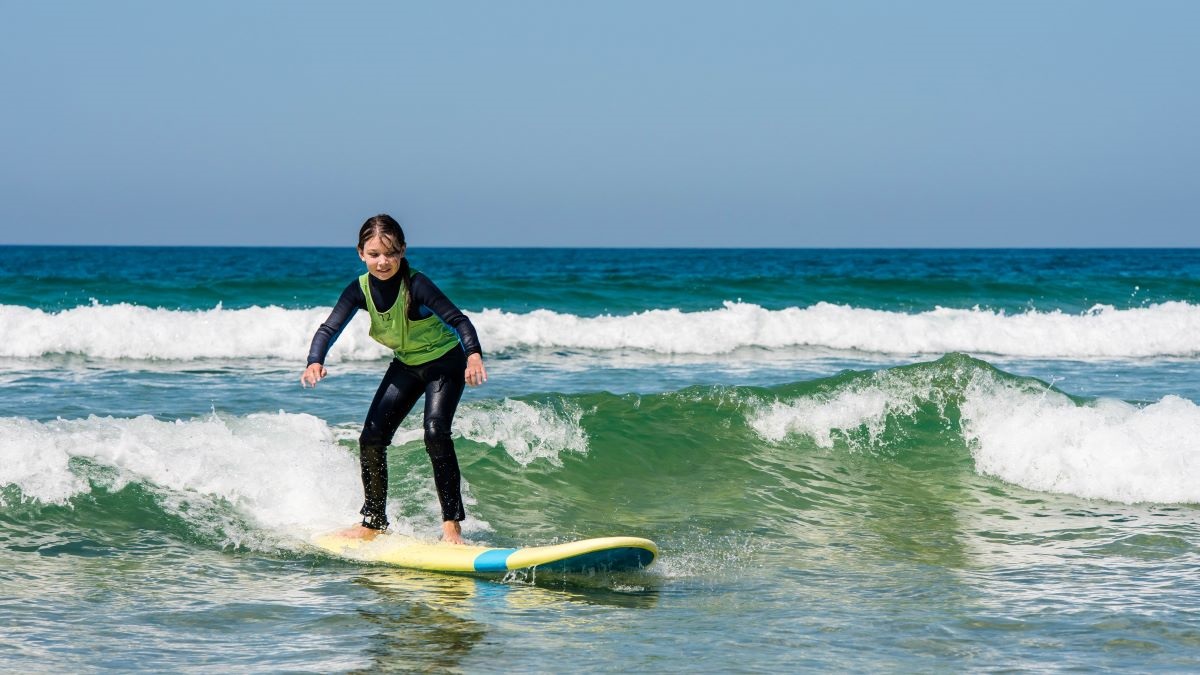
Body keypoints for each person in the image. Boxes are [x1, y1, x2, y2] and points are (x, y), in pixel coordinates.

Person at [301, 214, 487, 544]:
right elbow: (330, 328)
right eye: (374, 254)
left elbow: (460, 321)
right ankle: (373, 522)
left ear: (402, 251)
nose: (383, 262)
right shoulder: (359, 289)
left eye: (391, 253)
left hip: (444, 363)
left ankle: (452, 527)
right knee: (371, 437)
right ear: (361, 253)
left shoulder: (417, 285)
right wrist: (315, 360)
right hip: (406, 364)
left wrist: (473, 355)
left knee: (435, 432)